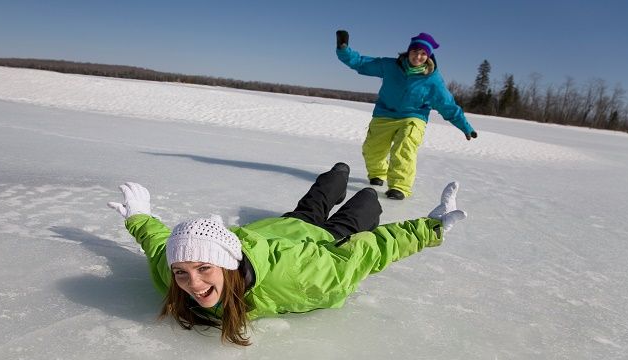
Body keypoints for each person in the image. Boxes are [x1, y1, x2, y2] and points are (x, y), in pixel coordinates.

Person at [107, 163, 467, 346]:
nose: (192, 283)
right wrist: (139, 216)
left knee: (359, 210)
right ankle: (344, 181)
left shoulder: (301, 275)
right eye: (182, 272)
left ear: (228, 263)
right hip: (278, 229)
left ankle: (342, 175)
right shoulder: (172, 273)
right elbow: (159, 243)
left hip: (322, 241)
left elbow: (366, 253)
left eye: (203, 268)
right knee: (312, 207)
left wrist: (429, 228)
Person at [335, 30, 478, 200]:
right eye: (415, 52)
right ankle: (378, 173)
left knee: (405, 147)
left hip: (414, 116)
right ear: (408, 51)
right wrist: (343, 48)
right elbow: (360, 63)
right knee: (372, 149)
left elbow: (447, 105)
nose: (418, 57)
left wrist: (465, 127)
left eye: (423, 53)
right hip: (385, 114)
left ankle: (400, 186)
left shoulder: (432, 79)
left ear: (429, 56)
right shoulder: (390, 66)